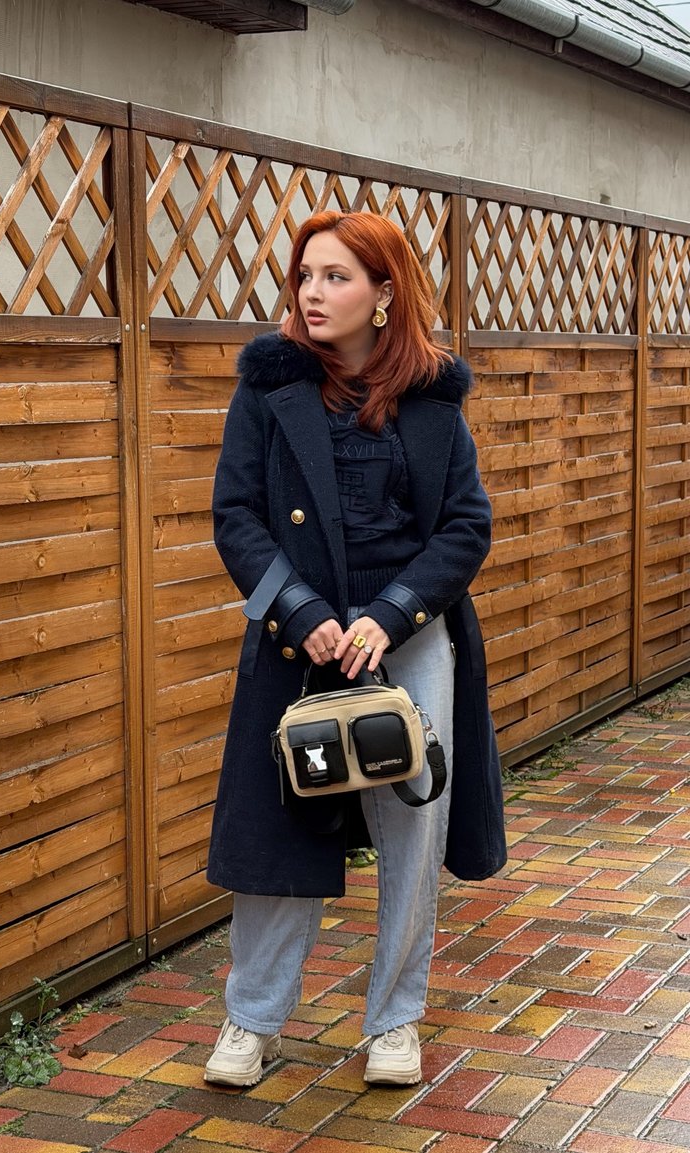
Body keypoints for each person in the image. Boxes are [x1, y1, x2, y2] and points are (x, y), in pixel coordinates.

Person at [204, 211, 506, 1088]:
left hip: (405, 634)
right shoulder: (269, 389)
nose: (312, 292)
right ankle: (251, 1021)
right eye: (305, 276)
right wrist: (299, 612)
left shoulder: (435, 399)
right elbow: (236, 517)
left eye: (335, 276)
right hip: (299, 637)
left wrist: (394, 613)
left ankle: (395, 1022)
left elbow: (465, 527)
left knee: (413, 824)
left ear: (383, 295)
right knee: (275, 826)